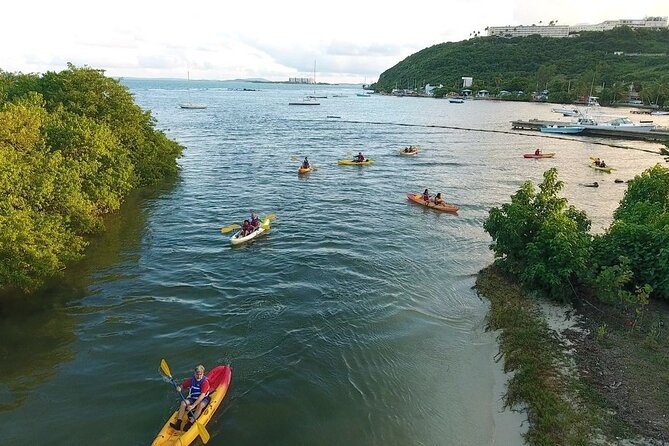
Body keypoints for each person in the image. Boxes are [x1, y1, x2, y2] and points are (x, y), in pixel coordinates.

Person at [169, 365, 211, 431]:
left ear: (203, 374)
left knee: (200, 405)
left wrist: (193, 405)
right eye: (197, 374)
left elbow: (202, 396)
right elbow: (183, 385)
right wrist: (179, 388)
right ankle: (178, 423)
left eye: (200, 374)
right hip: (193, 398)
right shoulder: (192, 380)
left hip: (203, 399)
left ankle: (190, 423)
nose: (199, 376)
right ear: (195, 373)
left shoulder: (205, 382)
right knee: (183, 403)